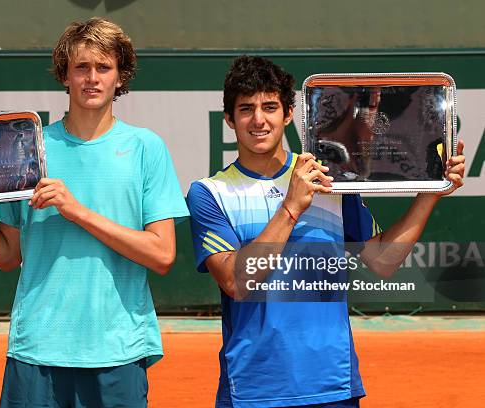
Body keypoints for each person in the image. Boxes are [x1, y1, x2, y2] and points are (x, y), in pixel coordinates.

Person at [0, 18, 189, 407]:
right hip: (38, 348)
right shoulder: (28, 147)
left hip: (119, 347)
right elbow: (7, 254)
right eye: (82, 67)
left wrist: (76, 210)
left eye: (104, 67)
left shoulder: (146, 147)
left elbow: (162, 254)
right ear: (65, 75)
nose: (92, 78)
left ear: (121, 76)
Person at [186, 55, 465, 408]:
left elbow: (382, 261)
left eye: (270, 107)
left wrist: (430, 192)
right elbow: (237, 283)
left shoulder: (330, 181)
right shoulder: (209, 192)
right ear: (229, 118)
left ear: (289, 114)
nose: (258, 120)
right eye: (246, 109)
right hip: (254, 390)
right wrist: (291, 207)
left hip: (333, 385)